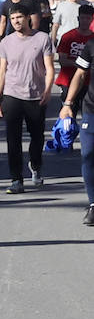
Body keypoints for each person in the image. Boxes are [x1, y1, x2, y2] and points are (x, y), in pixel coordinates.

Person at [0, 3, 55, 194]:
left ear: (28, 17)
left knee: (36, 138)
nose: (16, 21)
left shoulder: (42, 38)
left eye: (19, 17)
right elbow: (2, 72)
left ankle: (35, 165)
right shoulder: (6, 42)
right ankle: (16, 179)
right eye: (12, 18)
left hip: (36, 96)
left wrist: (48, 90)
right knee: (13, 139)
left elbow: (50, 68)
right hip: (12, 95)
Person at [59, 46, 94, 225]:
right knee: (88, 156)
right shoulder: (91, 45)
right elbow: (80, 74)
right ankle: (93, 204)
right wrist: (68, 104)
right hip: (91, 110)